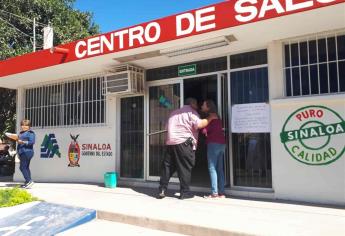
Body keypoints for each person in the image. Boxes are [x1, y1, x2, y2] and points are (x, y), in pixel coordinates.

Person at [158, 98, 216, 200]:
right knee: (184, 168)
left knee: (167, 167)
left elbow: (166, 128)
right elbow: (199, 124)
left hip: (170, 143)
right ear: (192, 104)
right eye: (197, 104)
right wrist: (210, 118)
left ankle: (162, 189)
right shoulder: (191, 112)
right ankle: (184, 193)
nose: (198, 106)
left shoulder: (173, 113)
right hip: (184, 143)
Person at [201, 100, 226, 198]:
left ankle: (214, 193)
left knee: (212, 168)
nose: (202, 106)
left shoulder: (210, 117)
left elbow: (204, 130)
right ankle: (222, 192)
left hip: (213, 144)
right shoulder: (218, 117)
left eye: (203, 105)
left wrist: (204, 128)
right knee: (220, 169)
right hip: (222, 143)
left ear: (208, 107)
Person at [17, 119, 36, 189]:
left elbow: (32, 142)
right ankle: (27, 182)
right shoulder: (20, 133)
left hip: (27, 151)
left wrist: (23, 142)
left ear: (29, 126)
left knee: (22, 167)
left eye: (26, 125)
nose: (24, 126)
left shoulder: (31, 133)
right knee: (26, 167)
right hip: (22, 152)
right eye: (22, 125)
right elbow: (19, 143)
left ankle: (29, 181)